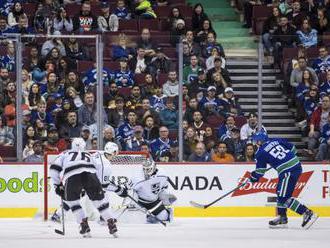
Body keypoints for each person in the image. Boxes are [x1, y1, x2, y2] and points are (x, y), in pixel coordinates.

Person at [49, 138, 118, 237]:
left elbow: (54, 169)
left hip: (73, 176)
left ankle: (83, 224)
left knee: (73, 202)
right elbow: (96, 168)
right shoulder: (89, 154)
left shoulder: (65, 153)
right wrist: (94, 184)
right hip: (91, 175)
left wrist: (57, 185)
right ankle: (111, 223)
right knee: (99, 202)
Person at [249, 132, 318, 229]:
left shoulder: (260, 152)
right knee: (280, 192)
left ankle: (307, 213)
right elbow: (293, 149)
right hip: (295, 166)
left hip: (287, 172)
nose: (255, 142)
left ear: (259, 141)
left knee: (284, 198)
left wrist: (252, 177)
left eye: (256, 140)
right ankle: (282, 217)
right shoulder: (276, 140)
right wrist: (283, 160)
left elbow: (260, 172)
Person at [131, 158, 176, 223]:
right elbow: (131, 191)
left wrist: (166, 199)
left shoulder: (163, 175)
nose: (146, 171)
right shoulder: (137, 178)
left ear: (154, 167)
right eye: (144, 169)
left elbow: (164, 188)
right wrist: (132, 204)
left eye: (148, 169)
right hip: (140, 203)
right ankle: (146, 216)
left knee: (164, 217)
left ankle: (167, 211)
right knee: (138, 221)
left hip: (154, 203)